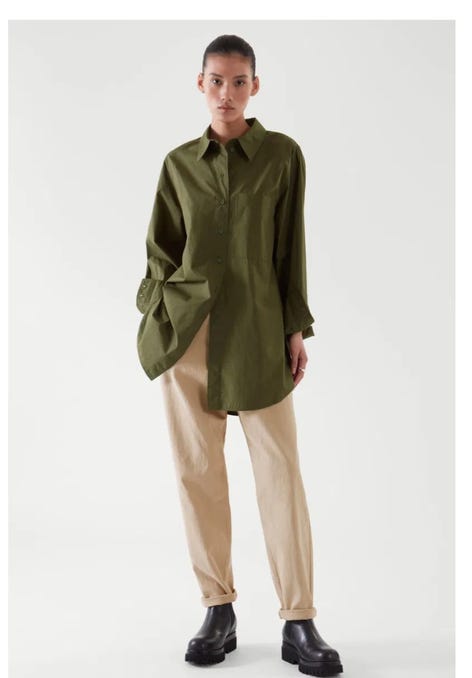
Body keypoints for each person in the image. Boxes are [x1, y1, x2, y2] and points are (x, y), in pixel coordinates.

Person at [135, 34, 344, 677]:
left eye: (239, 81)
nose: (227, 93)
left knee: (281, 473)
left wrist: (294, 327)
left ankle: (299, 620)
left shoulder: (282, 156)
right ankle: (217, 610)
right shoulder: (178, 164)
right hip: (189, 335)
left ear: (255, 86)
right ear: (200, 84)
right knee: (198, 473)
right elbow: (161, 251)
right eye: (217, 81)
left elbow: (290, 247)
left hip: (257, 330)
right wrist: (162, 316)